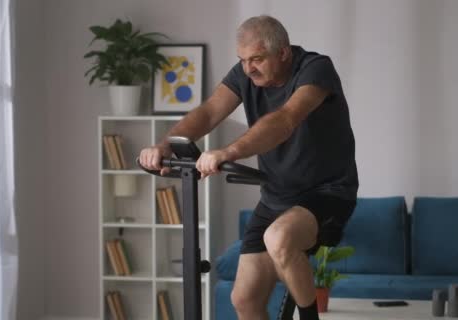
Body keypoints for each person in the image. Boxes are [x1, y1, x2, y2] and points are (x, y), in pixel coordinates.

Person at [139, 15, 358, 320]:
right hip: (275, 196)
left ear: (283, 52)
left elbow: (285, 120)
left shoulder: (315, 69)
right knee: (244, 300)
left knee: (278, 237)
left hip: (327, 193)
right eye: (242, 60)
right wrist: (165, 145)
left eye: (256, 58)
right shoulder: (245, 75)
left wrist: (230, 151)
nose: (248, 68)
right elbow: (209, 111)